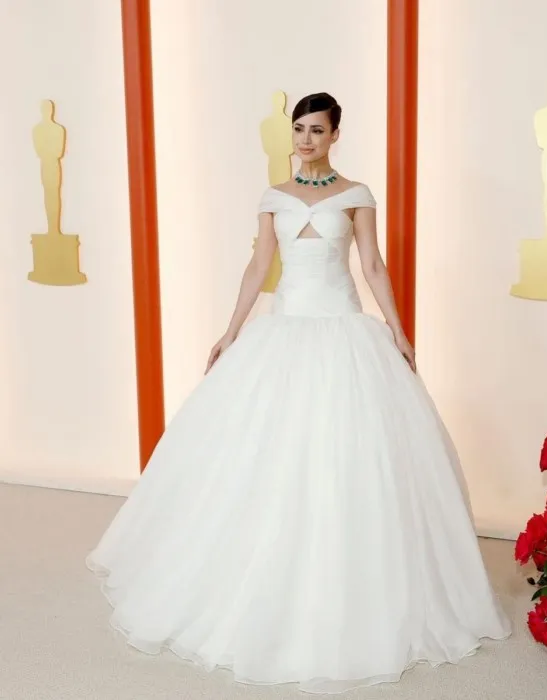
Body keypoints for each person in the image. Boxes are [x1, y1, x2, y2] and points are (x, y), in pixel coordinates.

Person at [86, 92, 511, 694]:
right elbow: (258, 267)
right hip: (282, 333)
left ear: (336, 134)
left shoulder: (357, 194)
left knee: (347, 461)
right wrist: (230, 331)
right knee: (263, 457)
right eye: (299, 129)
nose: (305, 139)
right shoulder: (273, 197)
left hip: (343, 334)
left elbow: (373, 266)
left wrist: (398, 330)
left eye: (316, 130)